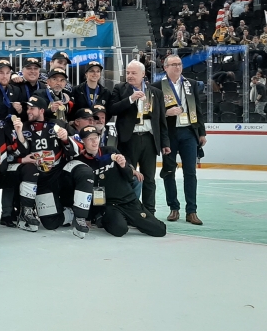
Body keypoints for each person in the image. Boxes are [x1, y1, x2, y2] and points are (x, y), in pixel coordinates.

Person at [15, 95, 93, 238]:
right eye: (28, 108)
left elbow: (78, 150)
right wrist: (19, 135)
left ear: (42, 110)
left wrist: (65, 138)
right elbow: (17, 152)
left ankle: (81, 217)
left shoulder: (59, 124)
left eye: (32, 108)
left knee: (84, 171)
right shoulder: (23, 127)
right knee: (50, 223)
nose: (28, 111)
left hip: (61, 173)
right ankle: (69, 213)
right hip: (43, 181)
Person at [72, 126, 166, 238]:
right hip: (108, 204)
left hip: (128, 200)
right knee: (120, 230)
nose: (94, 142)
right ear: (83, 141)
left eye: (96, 137)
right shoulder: (79, 161)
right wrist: (88, 216)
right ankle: (105, 218)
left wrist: (123, 166)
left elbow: (129, 177)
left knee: (160, 230)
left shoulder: (111, 151)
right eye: (89, 139)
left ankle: (133, 219)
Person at [110, 60, 170, 214]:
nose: (130, 76)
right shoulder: (119, 89)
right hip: (128, 139)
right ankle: (129, 210)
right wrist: (131, 99)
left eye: (134, 73)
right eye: (128, 72)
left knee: (149, 178)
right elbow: (112, 109)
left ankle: (150, 211)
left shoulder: (155, 93)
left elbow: (161, 120)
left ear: (143, 74)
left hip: (150, 140)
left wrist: (165, 142)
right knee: (129, 176)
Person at [153, 55, 206, 225]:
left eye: (179, 64)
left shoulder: (191, 84)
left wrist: (202, 132)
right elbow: (152, 112)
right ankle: (173, 208)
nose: (177, 67)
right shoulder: (158, 86)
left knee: (190, 172)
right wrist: (166, 112)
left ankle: (192, 211)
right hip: (169, 134)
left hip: (189, 132)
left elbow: (198, 108)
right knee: (169, 170)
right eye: (173, 64)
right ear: (165, 67)